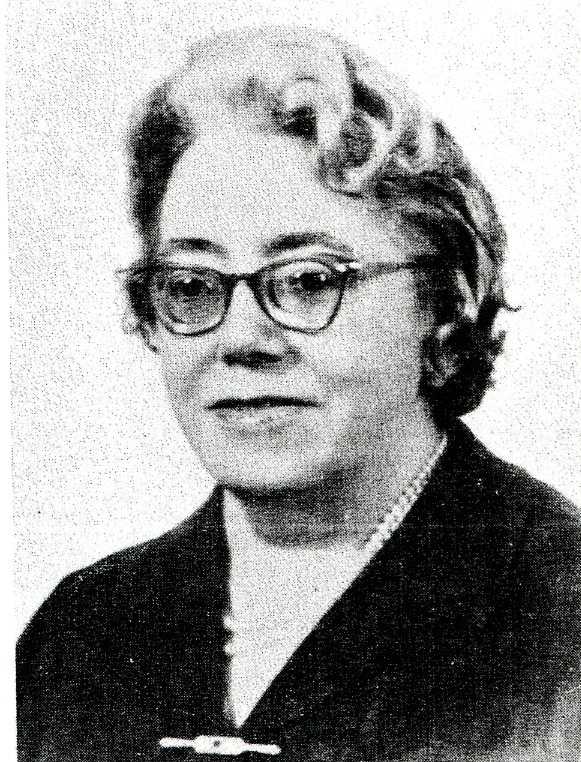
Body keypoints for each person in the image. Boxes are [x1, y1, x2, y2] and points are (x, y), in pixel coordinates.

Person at [16, 25, 581, 762]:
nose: (241, 338)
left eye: (310, 280)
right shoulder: (81, 633)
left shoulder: (561, 612)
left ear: (444, 313)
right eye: (190, 285)